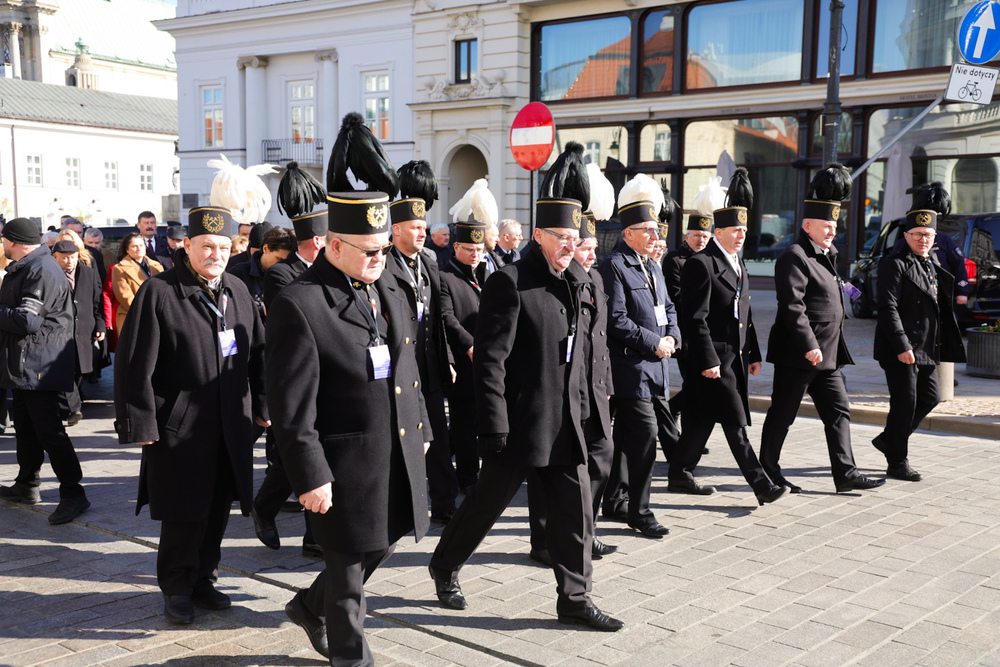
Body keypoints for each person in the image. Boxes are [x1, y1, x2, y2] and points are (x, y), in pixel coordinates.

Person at [429, 197, 624, 632]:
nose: (570, 247)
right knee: (485, 506)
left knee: (575, 514)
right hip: (521, 424)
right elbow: (490, 361)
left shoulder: (581, 280)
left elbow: (590, 351)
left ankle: (575, 599)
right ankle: (444, 565)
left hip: (569, 422)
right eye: (562, 239)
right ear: (538, 236)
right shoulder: (510, 282)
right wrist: (494, 423)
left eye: (576, 240)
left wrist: (597, 407)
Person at [267, 192, 430, 664]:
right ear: (333, 246)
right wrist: (309, 474)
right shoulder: (301, 304)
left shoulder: (389, 284)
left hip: (394, 449)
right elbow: (291, 406)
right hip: (342, 465)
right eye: (371, 250)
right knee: (347, 575)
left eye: (384, 248)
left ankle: (306, 605)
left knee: (383, 542)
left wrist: (421, 431)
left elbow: (406, 365)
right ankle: (350, 657)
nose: (382, 258)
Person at [114, 205, 268, 625]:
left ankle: (204, 578)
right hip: (179, 427)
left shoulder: (236, 289)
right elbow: (133, 364)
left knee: (218, 506)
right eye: (207, 246)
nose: (216, 254)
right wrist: (139, 422)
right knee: (185, 512)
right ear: (187, 246)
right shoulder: (160, 292)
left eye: (223, 246)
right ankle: (177, 587)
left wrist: (263, 408)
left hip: (230, 424)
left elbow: (258, 355)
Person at [759, 164, 885, 493]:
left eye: (834, 225)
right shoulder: (795, 256)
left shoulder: (827, 256)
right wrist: (808, 344)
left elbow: (839, 290)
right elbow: (792, 306)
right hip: (799, 354)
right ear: (807, 225)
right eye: (826, 226)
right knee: (782, 415)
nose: (832, 231)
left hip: (827, 355)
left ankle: (846, 474)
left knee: (839, 411)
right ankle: (768, 471)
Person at [667, 168, 788, 506]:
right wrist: (706, 360)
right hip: (712, 358)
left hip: (734, 357)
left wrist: (754, 354)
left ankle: (678, 472)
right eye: (735, 230)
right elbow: (694, 318)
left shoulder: (739, 263)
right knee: (734, 420)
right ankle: (761, 484)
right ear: (718, 231)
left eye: (745, 231)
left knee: (701, 418)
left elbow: (742, 314)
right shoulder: (701, 264)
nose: (741, 236)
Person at [527, 209, 617, 566]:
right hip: (560, 392)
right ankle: (546, 540)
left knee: (601, 458)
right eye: (585, 246)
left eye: (592, 247)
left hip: (592, 389)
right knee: (547, 474)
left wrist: (606, 383)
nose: (592, 254)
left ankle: (583, 530)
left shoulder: (592, 279)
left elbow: (599, 340)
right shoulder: (559, 281)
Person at [598, 182, 680, 536]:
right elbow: (615, 319)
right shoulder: (614, 266)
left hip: (655, 367)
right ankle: (640, 511)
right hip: (630, 368)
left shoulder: (652, 266)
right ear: (628, 233)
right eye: (648, 229)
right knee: (645, 437)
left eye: (656, 229)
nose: (655, 234)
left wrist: (673, 336)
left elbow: (668, 306)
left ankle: (615, 499)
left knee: (626, 438)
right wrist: (654, 343)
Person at [0, 218, 88, 525]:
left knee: (49, 430)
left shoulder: (40, 270)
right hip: (26, 363)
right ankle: (27, 483)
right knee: (26, 427)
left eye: (4, 240)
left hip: (41, 364)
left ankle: (74, 492)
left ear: (16, 242)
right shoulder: (28, 266)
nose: (2, 245)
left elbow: (27, 321)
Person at [872, 208, 966, 481]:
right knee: (905, 403)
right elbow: (887, 308)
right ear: (906, 235)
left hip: (926, 346)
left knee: (930, 397)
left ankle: (889, 440)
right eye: (917, 235)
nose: (923, 239)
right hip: (900, 347)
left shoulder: (930, 261)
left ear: (935, 236)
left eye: (928, 235)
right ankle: (897, 462)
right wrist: (902, 346)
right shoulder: (895, 262)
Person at [387, 180, 460, 525]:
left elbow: (440, 318)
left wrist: (446, 359)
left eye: (425, 228)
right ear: (396, 229)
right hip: (402, 368)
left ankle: (445, 501)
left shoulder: (429, 263)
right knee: (405, 441)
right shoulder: (384, 266)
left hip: (430, 367)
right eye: (415, 228)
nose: (422, 233)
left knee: (439, 437)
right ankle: (406, 504)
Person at [439, 219, 489, 495]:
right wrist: (470, 345)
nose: (475, 255)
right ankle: (468, 478)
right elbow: (447, 317)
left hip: (486, 361)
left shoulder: (485, 274)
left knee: (480, 420)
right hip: (462, 360)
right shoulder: (445, 276)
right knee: (465, 423)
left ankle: (439, 460)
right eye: (469, 249)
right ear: (456, 247)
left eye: (479, 249)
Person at [661, 211, 713, 429]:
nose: (701, 240)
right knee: (694, 383)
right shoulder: (675, 260)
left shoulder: (711, 259)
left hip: (709, 333)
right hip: (686, 332)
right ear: (686, 235)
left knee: (701, 385)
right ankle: (680, 423)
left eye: (705, 236)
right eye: (697, 235)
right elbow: (677, 297)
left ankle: (677, 415)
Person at [52, 240, 105, 427]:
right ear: (54, 258)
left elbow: (97, 302)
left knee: (80, 370)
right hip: (58, 332)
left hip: (84, 329)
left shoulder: (89, 274)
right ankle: (72, 409)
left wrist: (100, 325)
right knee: (63, 370)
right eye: (64, 258)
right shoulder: (49, 275)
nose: (69, 261)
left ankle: (70, 406)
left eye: (73, 257)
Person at [228, 226, 294, 321]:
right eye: (279, 259)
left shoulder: (290, 275)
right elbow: (231, 309)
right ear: (265, 248)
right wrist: (262, 311)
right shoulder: (239, 273)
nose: (282, 265)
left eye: (286, 262)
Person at [262, 216, 325, 311]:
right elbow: (284, 314)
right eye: (328, 240)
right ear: (316, 242)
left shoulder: (328, 269)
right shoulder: (278, 274)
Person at [111, 232, 164, 333]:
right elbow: (125, 297)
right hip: (133, 316)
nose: (139, 248)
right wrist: (148, 312)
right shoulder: (119, 269)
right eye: (134, 246)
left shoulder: (156, 266)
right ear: (127, 249)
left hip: (157, 316)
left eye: (141, 245)